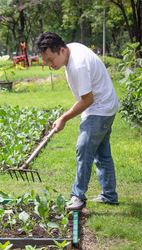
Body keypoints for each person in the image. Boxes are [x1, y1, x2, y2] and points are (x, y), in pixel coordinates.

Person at [35, 32, 120, 211]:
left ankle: (78, 196)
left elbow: (87, 100)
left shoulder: (78, 65)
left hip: (100, 108)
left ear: (62, 50)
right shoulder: (72, 49)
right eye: (46, 61)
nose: (50, 65)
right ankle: (109, 195)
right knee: (102, 154)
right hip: (105, 105)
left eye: (51, 59)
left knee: (84, 148)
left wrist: (63, 118)